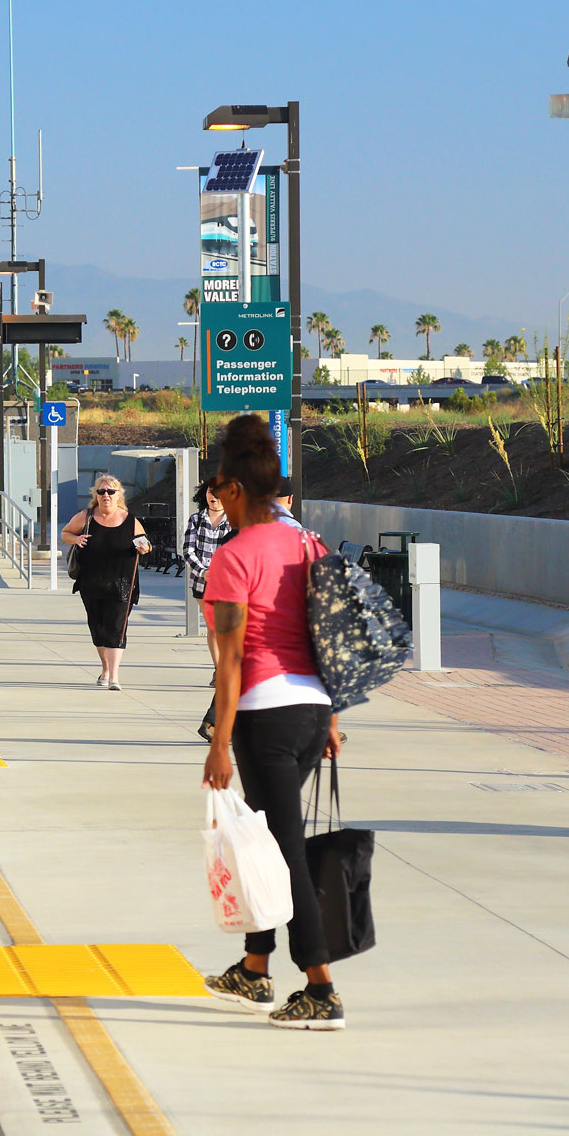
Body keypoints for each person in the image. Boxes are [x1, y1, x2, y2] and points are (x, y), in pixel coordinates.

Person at [200, 413, 345, 1031]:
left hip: (264, 718)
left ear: (234, 488)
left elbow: (230, 660)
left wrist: (221, 741)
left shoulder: (233, 558)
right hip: (311, 711)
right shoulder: (306, 543)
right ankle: (256, 968)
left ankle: (320, 989)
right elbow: (327, 633)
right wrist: (331, 716)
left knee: (283, 853)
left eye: (217, 489)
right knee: (268, 839)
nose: (216, 499)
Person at [61, 473, 150, 690]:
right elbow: (66, 533)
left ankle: (114, 677)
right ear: (95, 495)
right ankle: (105, 668)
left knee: (116, 628)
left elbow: (146, 544)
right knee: (98, 628)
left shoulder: (130, 521)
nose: (106, 495)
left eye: (111, 491)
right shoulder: (86, 517)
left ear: (119, 495)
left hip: (122, 584)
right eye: (101, 491)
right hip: (91, 582)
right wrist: (76, 539)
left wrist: (144, 547)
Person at [182, 481, 229, 687]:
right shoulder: (196, 520)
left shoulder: (235, 521)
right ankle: (219, 669)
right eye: (211, 492)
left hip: (227, 582)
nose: (215, 497)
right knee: (214, 626)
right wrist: (204, 572)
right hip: (202, 582)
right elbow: (188, 551)